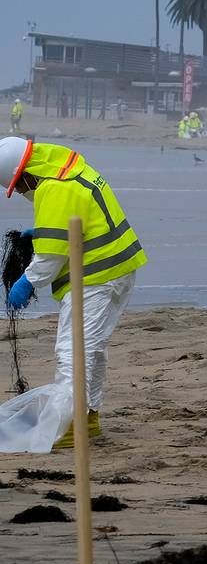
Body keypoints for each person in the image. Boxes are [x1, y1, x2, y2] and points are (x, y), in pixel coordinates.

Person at [0, 138, 147, 448]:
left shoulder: (53, 188)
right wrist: (40, 234)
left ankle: (69, 425)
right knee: (91, 348)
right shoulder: (67, 168)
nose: (24, 192)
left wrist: (26, 282)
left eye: (19, 186)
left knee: (72, 352)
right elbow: (73, 224)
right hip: (119, 268)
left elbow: (50, 260)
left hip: (96, 278)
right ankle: (88, 416)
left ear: (25, 174)